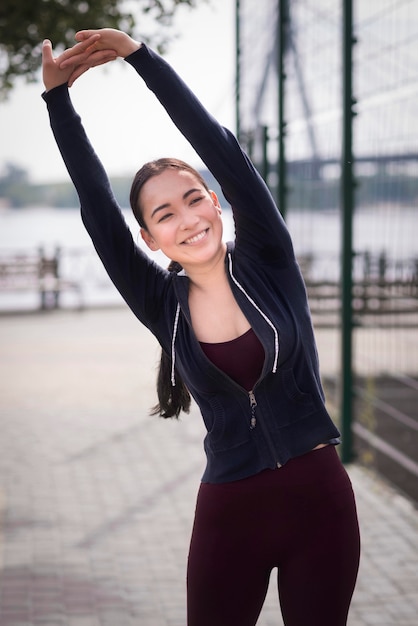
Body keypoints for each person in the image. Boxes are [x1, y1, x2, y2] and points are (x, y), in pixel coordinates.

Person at [41, 29, 360, 626]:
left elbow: (219, 148)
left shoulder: (269, 259)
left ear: (216, 202)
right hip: (231, 513)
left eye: (194, 199)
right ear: (149, 237)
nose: (186, 220)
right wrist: (58, 102)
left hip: (321, 504)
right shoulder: (162, 305)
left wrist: (140, 58)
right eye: (164, 214)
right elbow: (96, 206)